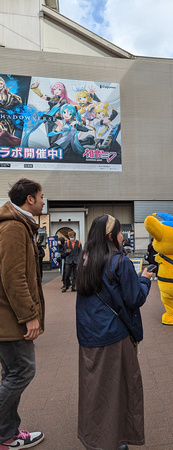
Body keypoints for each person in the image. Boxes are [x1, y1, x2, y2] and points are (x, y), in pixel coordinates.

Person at [76, 214, 152, 450]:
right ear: (111, 236)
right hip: (114, 336)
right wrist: (145, 279)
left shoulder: (85, 259)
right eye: (120, 232)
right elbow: (134, 298)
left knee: (93, 389)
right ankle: (113, 441)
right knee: (119, 390)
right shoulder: (120, 262)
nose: (123, 236)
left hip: (88, 334)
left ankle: (93, 437)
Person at [0, 178, 45, 449]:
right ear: (29, 199)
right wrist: (29, 315)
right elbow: (14, 276)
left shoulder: (19, 226)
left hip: (8, 318)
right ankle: (6, 433)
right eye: (41, 196)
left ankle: (7, 434)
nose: (43, 200)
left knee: (13, 373)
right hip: (10, 319)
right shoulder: (15, 227)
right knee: (22, 372)